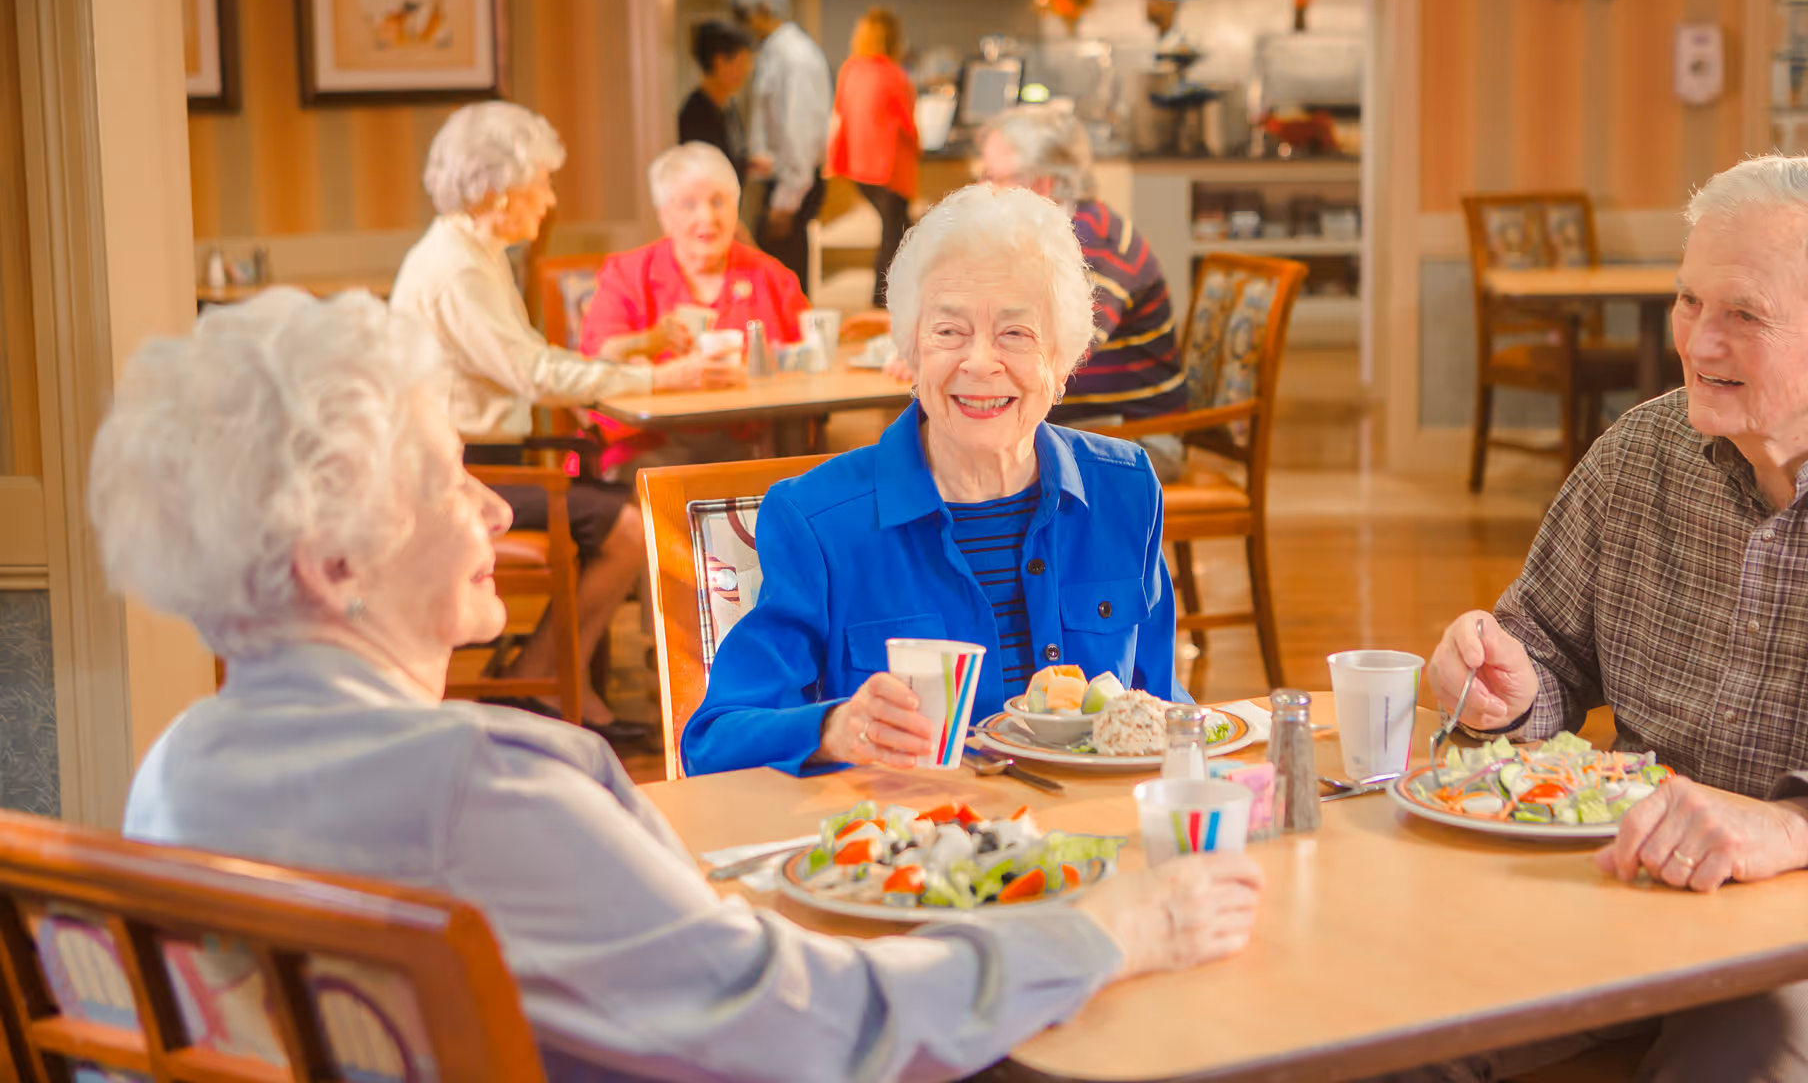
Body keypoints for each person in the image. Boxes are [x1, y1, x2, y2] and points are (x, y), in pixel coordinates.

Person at [93, 288, 1266, 1083]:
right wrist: (1107, 933)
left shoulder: (178, 766)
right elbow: (812, 1021)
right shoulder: (482, 782)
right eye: (452, 480)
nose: (498, 509)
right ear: (334, 562)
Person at [1423, 155, 1808, 1080]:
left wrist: (1797, 827)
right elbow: (1543, 650)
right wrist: (1507, 684)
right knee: (1390, 1018)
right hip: (1621, 886)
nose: (1697, 343)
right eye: (1689, 302)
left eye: (1745, 315)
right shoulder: (1642, 450)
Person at [681, 184, 1190, 778]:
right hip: (916, 852)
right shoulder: (817, 521)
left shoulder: (1123, 491)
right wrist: (832, 729)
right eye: (949, 332)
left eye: (1015, 334)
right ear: (911, 354)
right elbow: (711, 744)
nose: (978, 362)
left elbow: (1163, 711)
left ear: (1062, 363)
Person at [389, 102, 739, 743]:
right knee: (629, 526)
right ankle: (540, 681)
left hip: (484, 456)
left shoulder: (473, 253)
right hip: (461, 473)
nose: (548, 199)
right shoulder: (457, 269)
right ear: (497, 190)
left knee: (620, 513)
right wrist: (658, 377)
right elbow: (536, 373)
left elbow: (533, 370)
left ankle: (555, 681)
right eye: (541, 183)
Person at [977, 104, 1189, 482]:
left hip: (1134, 440)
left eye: (994, 178)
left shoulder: (1092, 243)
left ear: (1041, 183)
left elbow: (1061, 349)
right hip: (1081, 426)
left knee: (964, 465)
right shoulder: (1039, 236)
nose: (981, 191)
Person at [579, 141, 808, 475]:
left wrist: (766, 372)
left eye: (719, 202)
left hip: (752, 447)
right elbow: (598, 356)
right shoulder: (627, 274)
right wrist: (659, 361)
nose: (708, 217)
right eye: (689, 204)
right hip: (650, 446)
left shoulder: (772, 276)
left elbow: (809, 362)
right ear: (665, 217)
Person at [731, 0, 831, 286]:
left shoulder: (795, 57)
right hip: (780, 178)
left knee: (784, 277)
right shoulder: (775, 53)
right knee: (774, 275)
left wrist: (785, 202)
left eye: (743, 15)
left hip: (792, 183)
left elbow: (800, 131)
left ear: (762, 9)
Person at [827, 6, 919, 305]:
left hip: (858, 169)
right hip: (888, 169)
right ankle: (884, 302)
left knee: (897, 231)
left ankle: (889, 298)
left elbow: (841, 114)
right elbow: (908, 125)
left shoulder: (849, 70)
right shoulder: (894, 76)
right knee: (897, 235)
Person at [677, 19, 754, 189]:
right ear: (720, 62)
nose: (748, 69)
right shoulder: (695, 115)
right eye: (743, 62)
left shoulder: (728, 107)